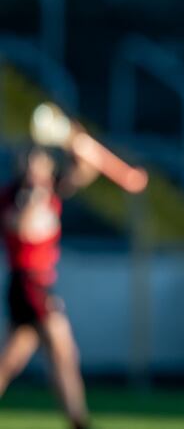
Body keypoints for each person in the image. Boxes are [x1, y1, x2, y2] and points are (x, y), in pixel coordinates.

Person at [0, 145, 98, 429]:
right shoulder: (13, 196)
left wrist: (78, 145)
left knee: (9, 362)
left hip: (42, 281)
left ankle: (77, 419)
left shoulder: (51, 191)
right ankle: (79, 421)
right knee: (64, 353)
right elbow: (21, 227)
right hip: (27, 283)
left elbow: (85, 171)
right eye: (27, 162)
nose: (32, 168)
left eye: (38, 163)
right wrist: (34, 200)